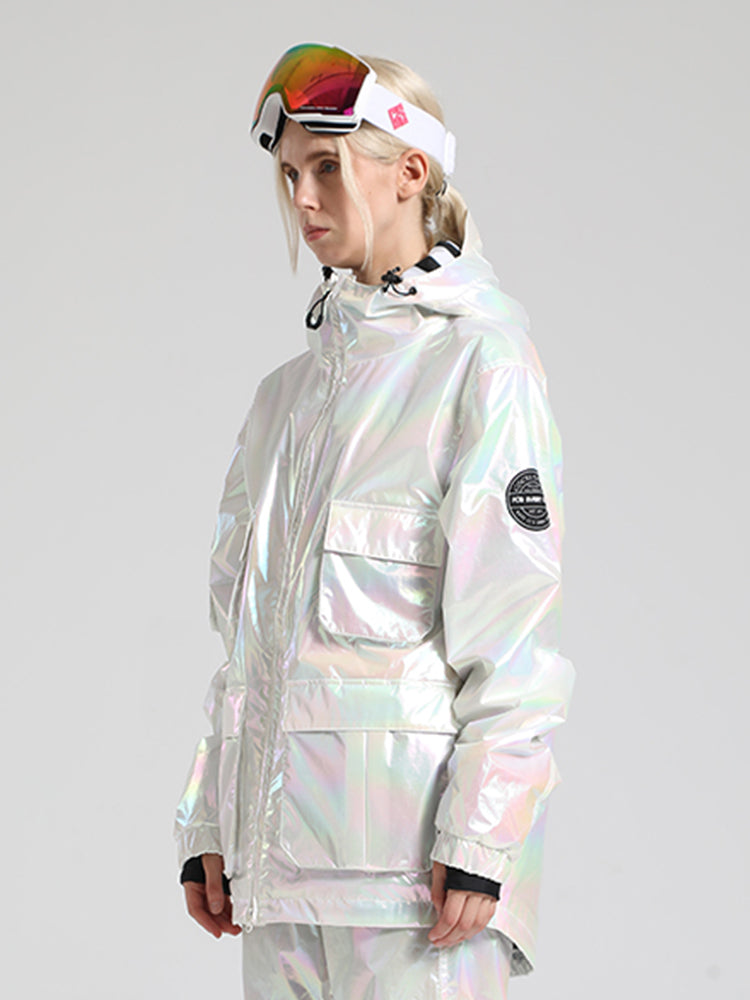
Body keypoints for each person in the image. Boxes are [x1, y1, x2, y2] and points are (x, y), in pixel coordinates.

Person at [174, 42, 575, 1000]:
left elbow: (514, 629)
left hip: (414, 890)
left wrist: (483, 837)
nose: (303, 200)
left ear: (410, 172)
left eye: (326, 167)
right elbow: (246, 649)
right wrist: (210, 822)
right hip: (278, 887)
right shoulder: (282, 401)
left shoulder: (481, 366)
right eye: (289, 176)